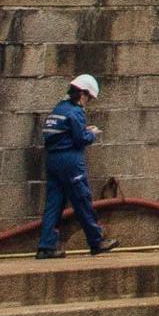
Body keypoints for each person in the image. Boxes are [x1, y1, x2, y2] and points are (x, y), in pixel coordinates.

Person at [34, 72, 112, 258]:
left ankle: (46, 247)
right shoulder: (75, 112)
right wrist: (91, 133)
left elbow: (59, 133)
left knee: (54, 203)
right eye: (89, 98)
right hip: (70, 161)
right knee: (82, 200)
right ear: (83, 93)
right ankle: (96, 241)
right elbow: (79, 140)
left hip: (53, 160)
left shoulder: (58, 109)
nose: (88, 102)